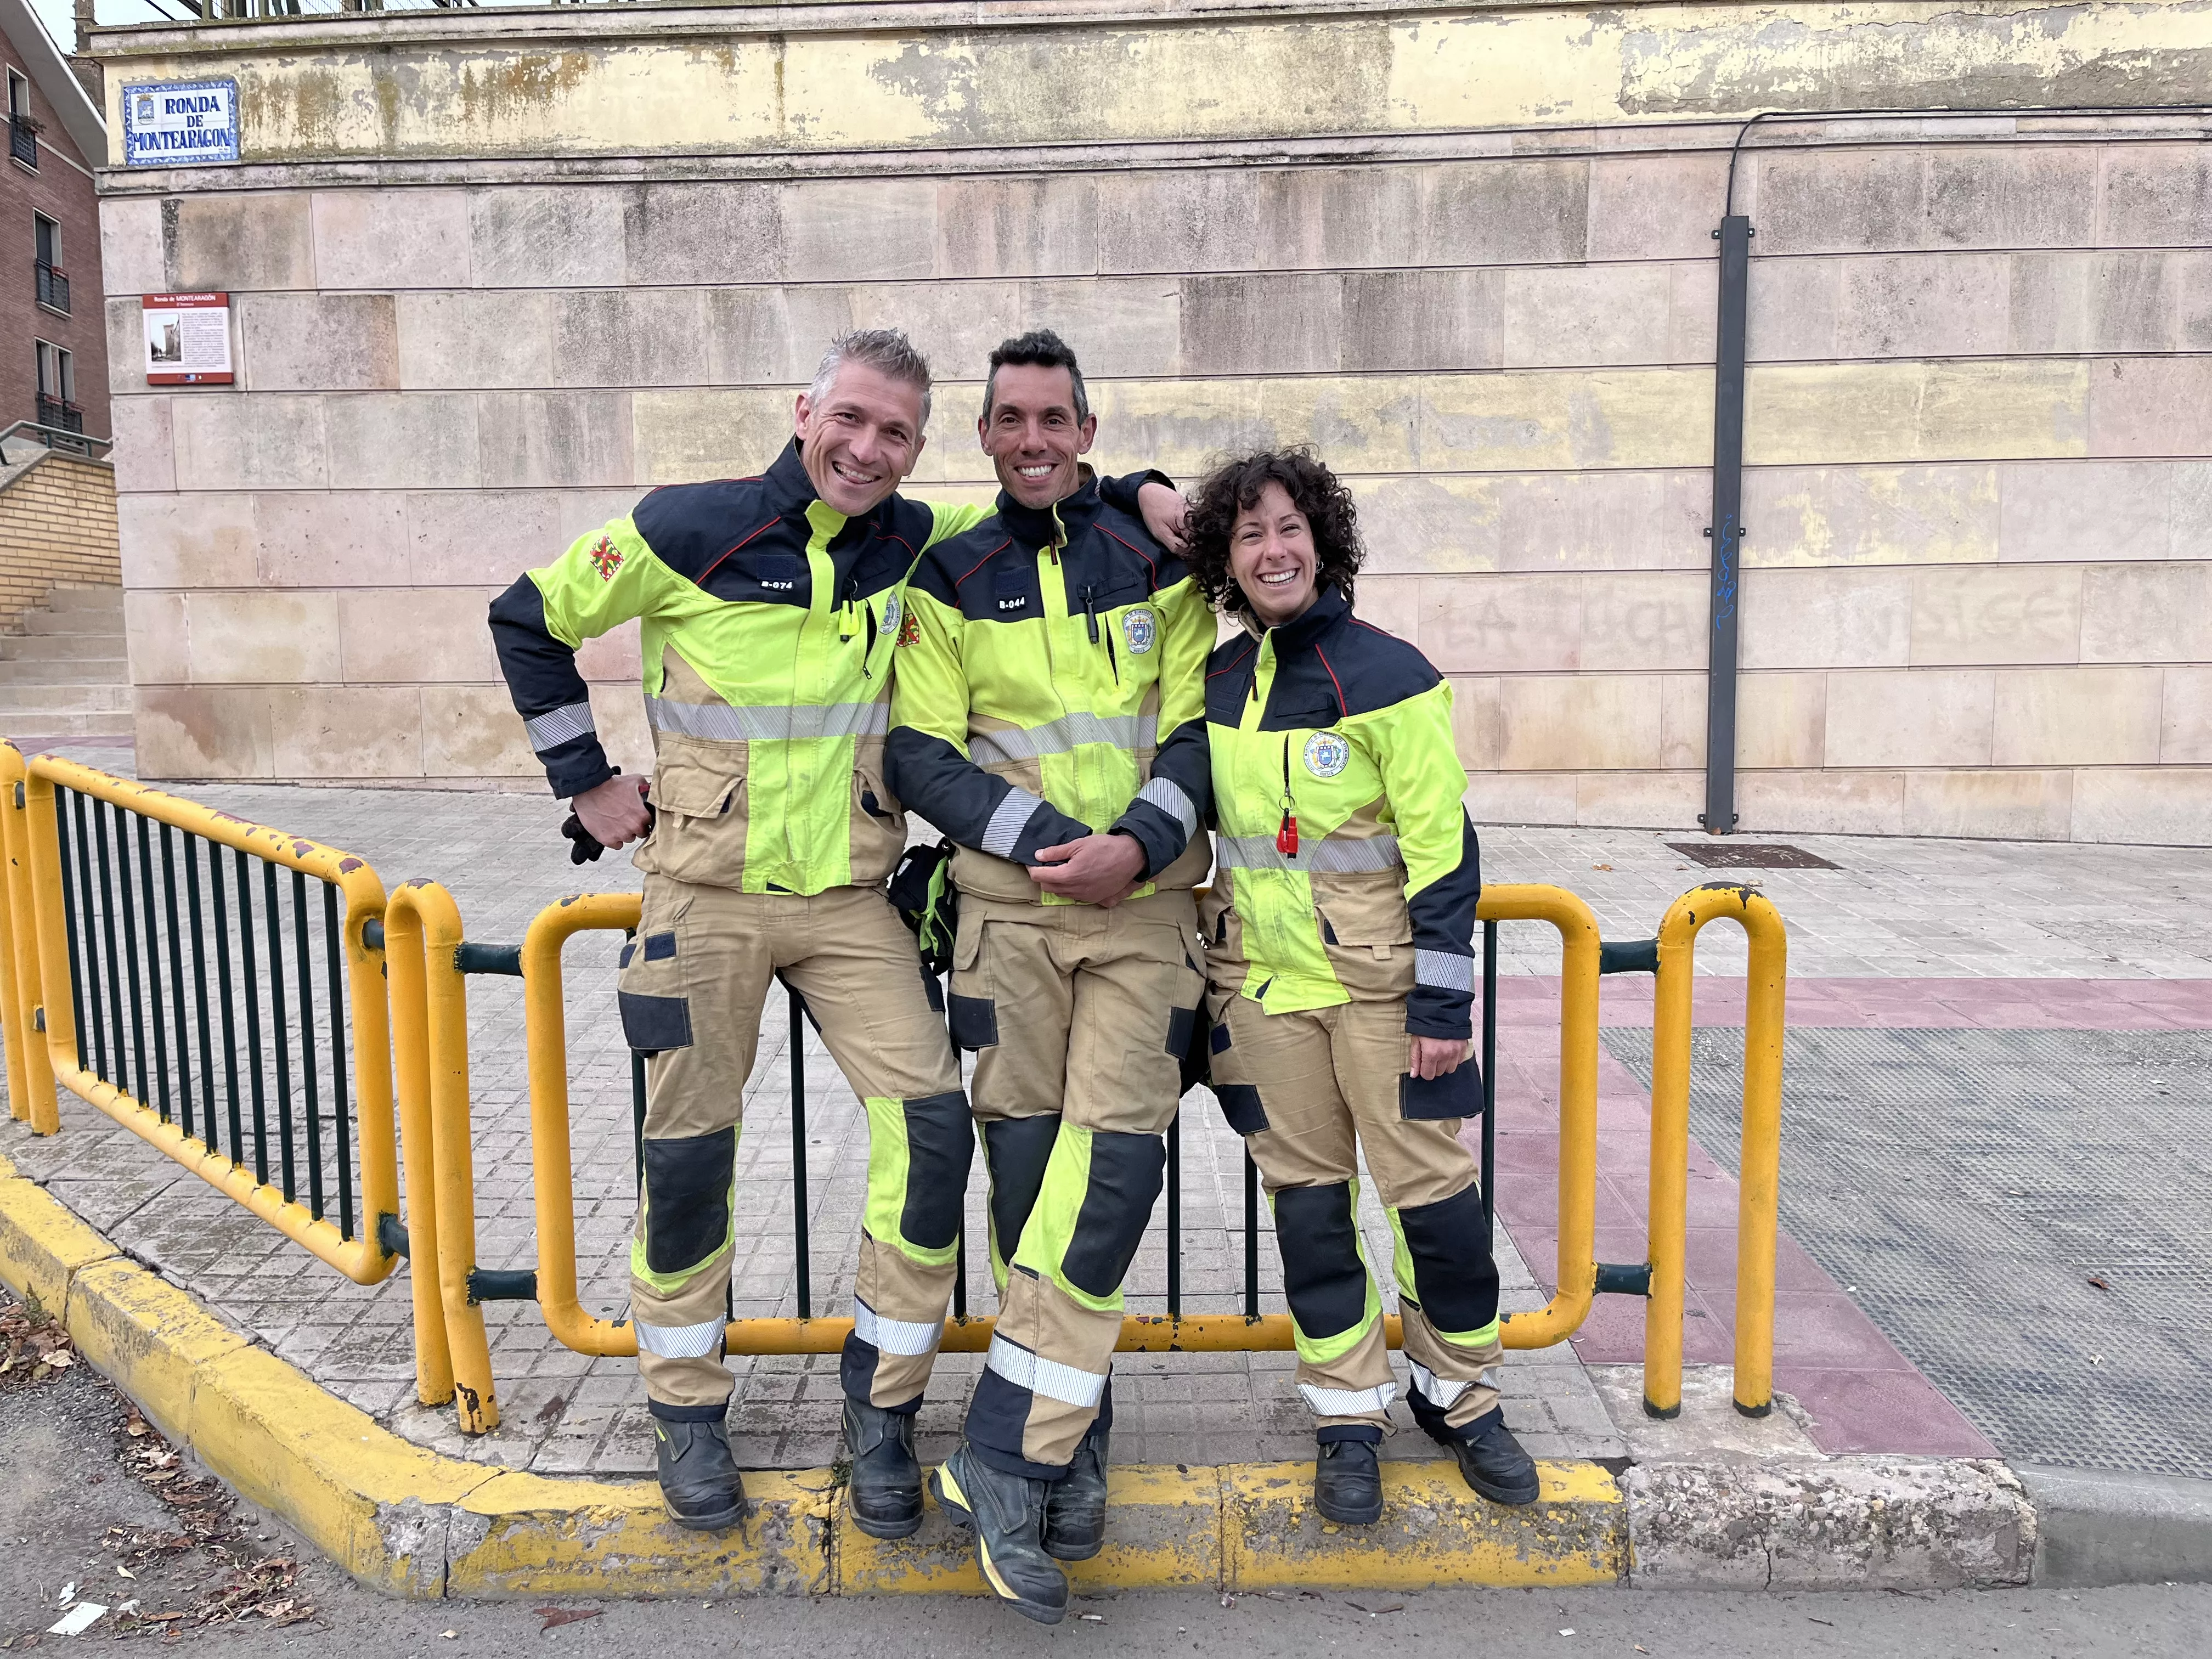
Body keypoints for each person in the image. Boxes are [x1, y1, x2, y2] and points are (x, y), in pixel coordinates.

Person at [486, 329, 1186, 1539]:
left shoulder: (914, 547)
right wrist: (585, 779)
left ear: (921, 450)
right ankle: (686, 1406)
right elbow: (525, 616)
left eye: (895, 434)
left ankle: (884, 1410)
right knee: (690, 1156)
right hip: (702, 898)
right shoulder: (688, 526)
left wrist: (1143, 488)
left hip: (852, 905)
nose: (866, 449)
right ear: (805, 406)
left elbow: (1050, 490)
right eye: (851, 419)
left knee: (928, 1136)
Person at [885, 329, 1211, 1624]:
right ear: (982, 435)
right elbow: (921, 751)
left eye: (1054, 420)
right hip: (1008, 916)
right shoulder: (945, 572)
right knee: (1031, 1178)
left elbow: (1196, 723)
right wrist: (1037, 844)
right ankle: (1072, 1440)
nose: (1033, 440)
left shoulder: (1157, 558)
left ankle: (1003, 1446)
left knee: (1114, 1166)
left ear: (1087, 430)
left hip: (1144, 911)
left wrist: (1138, 843)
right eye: (1010, 420)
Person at [1181, 448, 1539, 1527]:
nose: (1273, 550)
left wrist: (1443, 1006)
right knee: (1313, 1214)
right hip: (1268, 995)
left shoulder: (1393, 675)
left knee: (1436, 1206)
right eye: (1250, 536)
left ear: (1323, 542)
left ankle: (1462, 1397)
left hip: (1389, 996)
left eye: (1290, 529)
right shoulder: (1219, 686)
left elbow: (1444, 850)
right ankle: (1347, 1409)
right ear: (1226, 562)